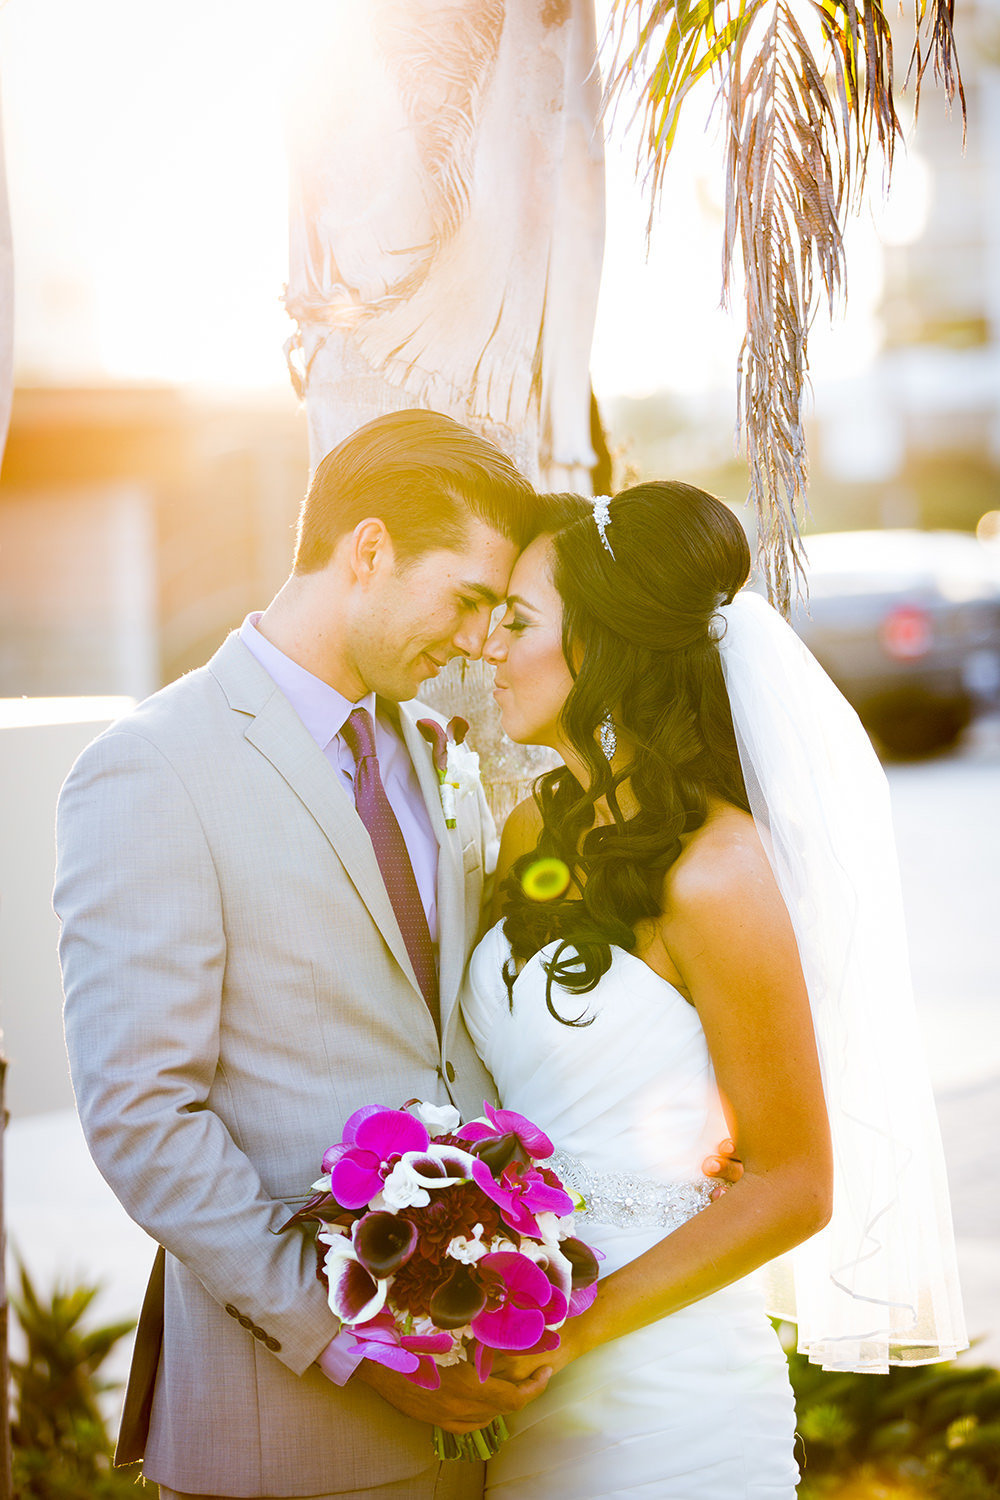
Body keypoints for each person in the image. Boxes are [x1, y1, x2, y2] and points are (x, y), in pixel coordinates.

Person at [53, 410, 747, 1500]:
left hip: (489, 1424)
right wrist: (352, 1344)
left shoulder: (435, 753)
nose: (479, 641)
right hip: (287, 1429)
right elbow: (143, 1117)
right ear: (367, 552)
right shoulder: (151, 768)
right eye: (468, 600)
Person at [462, 482, 967, 1498]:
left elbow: (794, 1182)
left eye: (518, 621)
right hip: (515, 1374)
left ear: (604, 643)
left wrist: (567, 1331)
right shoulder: (530, 834)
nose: (487, 647)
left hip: (665, 1389)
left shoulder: (717, 871)